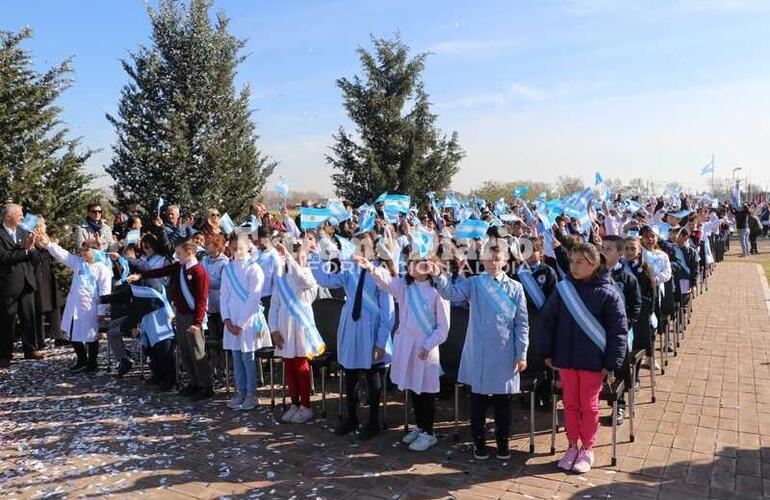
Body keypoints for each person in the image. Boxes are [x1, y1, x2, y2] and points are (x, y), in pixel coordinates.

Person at [539, 243, 628, 474]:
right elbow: (548, 321)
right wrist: (547, 351)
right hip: (566, 359)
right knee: (570, 404)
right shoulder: (563, 289)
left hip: (593, 361)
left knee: (589, 406)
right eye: (572, 261)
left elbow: (618, 331)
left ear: (593, 263)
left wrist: (611, 363)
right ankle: (571, 446)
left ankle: (587, 448)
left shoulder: (609, 293)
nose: (574, 266)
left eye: (579, 262)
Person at [435, 243, 529, 460]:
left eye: (497, 258)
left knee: (503, 403)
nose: (492, 262)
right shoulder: (475, 283)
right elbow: (450, 293)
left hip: (505, 353)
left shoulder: (515, 287)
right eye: (488, 257)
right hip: (479, 351)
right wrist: (439, 275)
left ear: (505, 261)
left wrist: (521, 353)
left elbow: (522, 323)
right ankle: (479, 442)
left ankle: (503, 442)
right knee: (477, 401)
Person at [353, 249, 450, 453]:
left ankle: (429, 432)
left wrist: (428, 345)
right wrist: (371, 267)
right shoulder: (406, 287)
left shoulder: (438, 292)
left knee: (426, 390)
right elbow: (387, 281)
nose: (411, 266)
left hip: (425, 348)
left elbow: (443, 327)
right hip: (407, 346)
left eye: (416, 262)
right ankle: (420, 426)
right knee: (414, 387)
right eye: (410, 262)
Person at [309, 230, 396, 440]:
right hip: (351, 326)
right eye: (357, 246)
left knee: (372, 373)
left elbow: (388, 313)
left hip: (371, 329)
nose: (359, 250)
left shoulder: (380, 272)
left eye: (364, 246)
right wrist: (314, 257)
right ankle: (351, 417)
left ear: (373, 250)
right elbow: (326, 280)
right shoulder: (350, 269)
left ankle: (374, 421)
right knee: (350, 373)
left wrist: (381, 342)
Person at [128, 238, 213, 400]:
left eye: (179, 253)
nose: (177, 256)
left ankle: (205, 386)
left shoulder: (198, 271)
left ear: (189, 252)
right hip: (180, 314)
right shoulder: (180, 267)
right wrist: (141, 275)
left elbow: (201, 299)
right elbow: (162, 271)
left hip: (193, 317)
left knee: (197, 352)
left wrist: (197, 322)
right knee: (185, 352)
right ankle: (193, 382)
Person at [36, 229, 113, 373]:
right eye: (82, 249)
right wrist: (48, 244)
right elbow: (63, 255)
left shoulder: (103, 269)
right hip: (75, 306)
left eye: (86, 249)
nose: (83, 252)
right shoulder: (79, 263)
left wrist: (102, 311)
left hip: (91, 307)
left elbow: (105, 292)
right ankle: (81, 359)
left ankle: (92, 363)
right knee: (73, 333)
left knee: (91, 336)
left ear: (95, 251)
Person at [269, 241, 323, 424]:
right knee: (289, 366)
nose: (298, 258)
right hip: (285, 328)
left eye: (301, 255)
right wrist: (274, 330)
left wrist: (290, 258)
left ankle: (306, 406)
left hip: (301, 326)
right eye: (294, 255)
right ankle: (295, 403)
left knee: (301, 365)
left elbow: (301, 279)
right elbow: (274, 306)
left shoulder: (308, 275)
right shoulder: (281, 280)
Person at [220, 234, 271, 411]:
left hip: (247, 320)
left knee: (248, 357)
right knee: (236, 356)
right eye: (234, 248)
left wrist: (240, 323)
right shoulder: (228, 269)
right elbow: (224, 295)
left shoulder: (254, 268)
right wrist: (227, 319)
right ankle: (240, 392)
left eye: (240, 248)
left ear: (248, 246)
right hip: (231, 319)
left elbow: (253, 298)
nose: (237, 251)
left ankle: (252, 394)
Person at [601, 235, 641, 426]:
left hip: (619, 334)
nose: (603, 251)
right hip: (597, 332)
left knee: (618, 369)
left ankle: (619, 404)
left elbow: (635, 306)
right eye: (602, 248)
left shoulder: (627, 278)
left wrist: (625, 327)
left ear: (620, 253)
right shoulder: (594, 275)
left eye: (608, 249)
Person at [0, 203, 44, 367]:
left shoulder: (23, 231)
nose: (22, 217)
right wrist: (25, 251)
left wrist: (32, 250)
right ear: (8, 216)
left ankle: (30, 349)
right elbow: (4, 257)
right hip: (8, 284)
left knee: (28, 317)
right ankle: (4, 353)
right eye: (19, 214)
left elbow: (36, 257)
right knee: (7, 321)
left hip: (27, 282)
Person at [34, 216, 65, 347]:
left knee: (55, 303)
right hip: (38, 274)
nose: (45, 225)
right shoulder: (33, 237)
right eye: (43, 223)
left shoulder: (46, 237)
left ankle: (58, 335)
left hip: (49, 273)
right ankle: (40, 340)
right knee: (40, 306)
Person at [202, 234, 229, 343]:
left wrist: (206, 282)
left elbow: (224, 282)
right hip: (208, 302)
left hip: (220, 300)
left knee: (222, 330)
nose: (206, 246)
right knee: (212, 332)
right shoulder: (204, 260)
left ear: (217, 246)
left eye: (209, 244)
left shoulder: (225, 262)